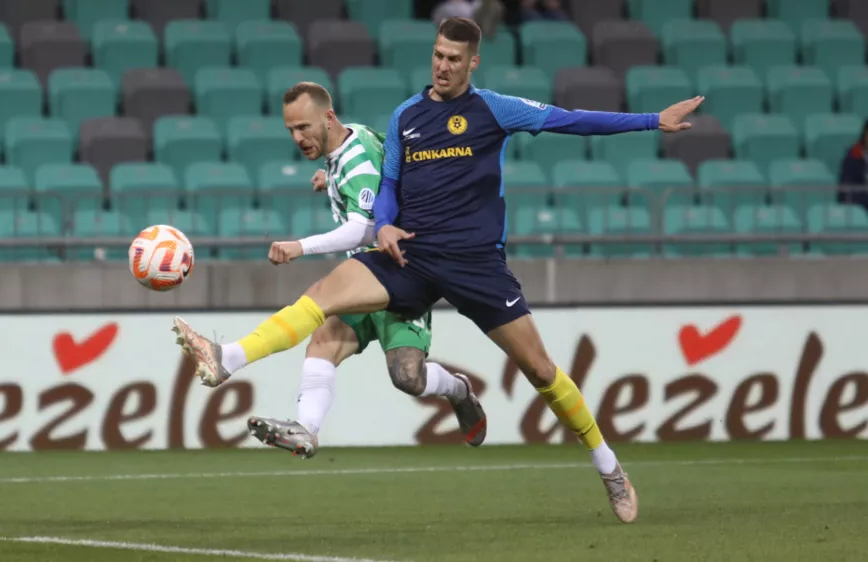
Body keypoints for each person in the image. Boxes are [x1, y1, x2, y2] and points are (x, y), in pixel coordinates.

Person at [173, 16, 704, 524]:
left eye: (453, 58)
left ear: (473, 62)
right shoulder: (406, 117)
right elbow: (387, 189)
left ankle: (609, 468)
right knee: (325, 294)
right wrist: (382, 225)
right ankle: (227, 358)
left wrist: (653, 121)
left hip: (476, 266)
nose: (442, 66)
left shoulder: (495, 109)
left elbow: (570, 120)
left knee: (541, 372)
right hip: (412, 256)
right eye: (436, 55)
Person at [179, 82, 487, 460]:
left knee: (408, 376)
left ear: (328, 117)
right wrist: (333, 180)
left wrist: (300, 246)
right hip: (362, 277)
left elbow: (365, 228)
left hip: (399, 276)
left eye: (304, 127)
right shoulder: (353, 140)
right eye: (291, 130)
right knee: (323, 338)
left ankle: (458, 390)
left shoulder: (354, 158)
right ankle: (305, 427)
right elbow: (385, 163)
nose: (298, 137)